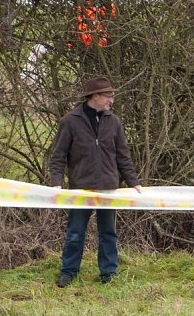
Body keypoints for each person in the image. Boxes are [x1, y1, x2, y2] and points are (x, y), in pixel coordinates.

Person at [49, 77, 142, 287]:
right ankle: (69, 272)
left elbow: (122, 156)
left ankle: (109, 273)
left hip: (109, 188)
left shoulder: (114, 122)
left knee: (108, 232)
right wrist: (56, 181)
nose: (112, 100)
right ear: (95, 96)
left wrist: (134, 182)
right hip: (80, 188)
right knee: (75, 233)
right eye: (108, 96)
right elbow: (58, 156)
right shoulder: (70, 121)